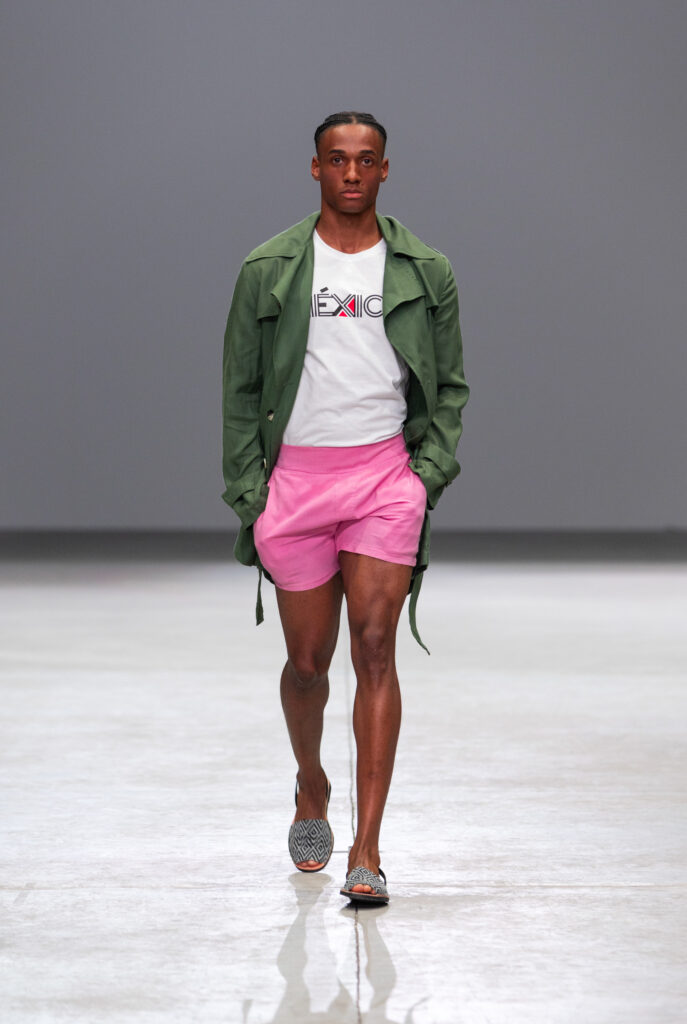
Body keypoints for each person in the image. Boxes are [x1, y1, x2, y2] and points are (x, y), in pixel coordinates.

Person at [221, 111, 468, 904]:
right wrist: (250, 493)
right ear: (315, 168)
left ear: (385, 170)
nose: (351, 173)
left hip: (381, 480)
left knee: (374, 649)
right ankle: (311, 783)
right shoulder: (268, 268)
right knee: (305, 666)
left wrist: (423, 476)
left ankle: (367, 848)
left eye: (365, 160)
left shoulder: (424, 270)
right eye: (337, 159)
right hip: (295, 483)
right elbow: (240, 387)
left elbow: (449, 386)